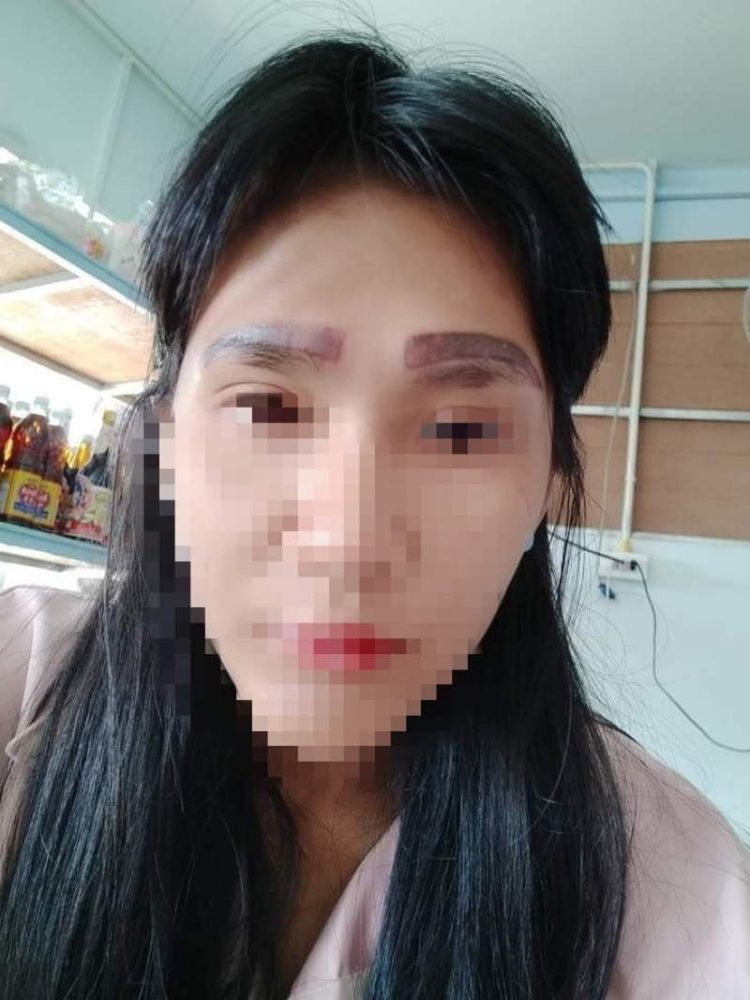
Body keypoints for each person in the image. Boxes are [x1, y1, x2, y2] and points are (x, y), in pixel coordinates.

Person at [0, 29, 747, 1000]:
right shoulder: (20, 682)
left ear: (549, 479)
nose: (346, 540)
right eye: (267, 408)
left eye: (460, 429)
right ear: (164, 439)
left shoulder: (680, 899)